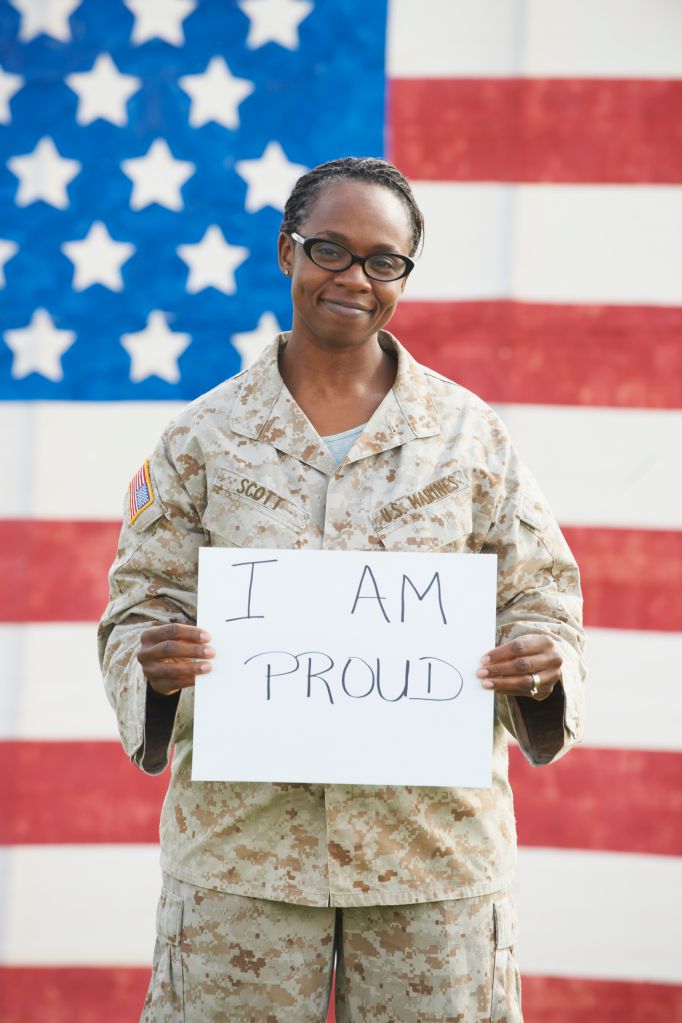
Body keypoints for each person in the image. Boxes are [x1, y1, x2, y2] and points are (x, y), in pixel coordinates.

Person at [98, 156, 585, 1022]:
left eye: (383, 260)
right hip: (243, 857)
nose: (355, 278)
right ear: (287, 251)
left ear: (404, 274)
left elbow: (542, 600)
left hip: (431, 860)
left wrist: (542, 666)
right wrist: (155, 660)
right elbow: (140, 603)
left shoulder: (471, 441)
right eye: (330, 249)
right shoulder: (201, 440)